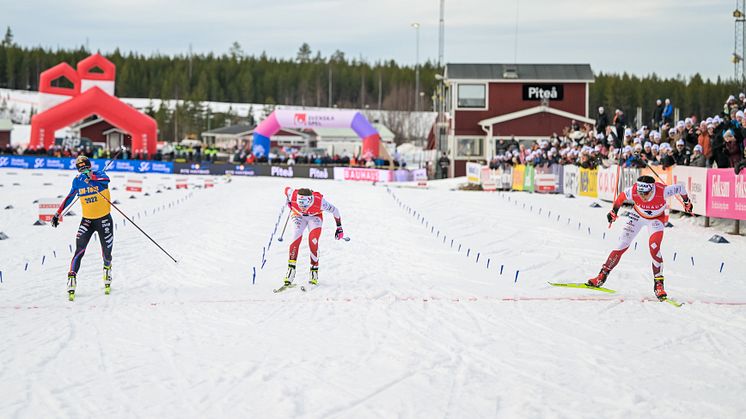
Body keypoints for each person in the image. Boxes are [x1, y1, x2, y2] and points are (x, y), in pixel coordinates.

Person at [587, 175, 693, 300]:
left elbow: (681, 188)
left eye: (646, 193)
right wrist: (613, 211)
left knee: (654, 247)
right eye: (640, 193)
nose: (642, 196)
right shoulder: (633, 191)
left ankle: (659, 284)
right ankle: (601, 277)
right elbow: (621, 197)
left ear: (652, 189)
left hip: (656, 219)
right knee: (621, 244)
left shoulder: (663, 191)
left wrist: (687, 202)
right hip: (637, 216)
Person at [51, 156, 114, 301]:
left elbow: (106, 182)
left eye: (85, 168)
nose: (83, 171)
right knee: (79, 250)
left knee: (107, 253)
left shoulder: (100, 174)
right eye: (80, 169)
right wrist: (57, 214)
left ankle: (107, 268)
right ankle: (72, 277)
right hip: (87, 221)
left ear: (90, 166)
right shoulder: (77, 181)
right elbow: (69, 197)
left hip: (104, 219)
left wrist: (91, 178)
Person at [280, 187, 343, 289]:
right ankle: (291, 270)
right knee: (295, 237)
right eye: (300, 204)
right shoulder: (293, 195)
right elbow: (286, 189)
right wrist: (289, 201)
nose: (303, 207)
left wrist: (339, 228)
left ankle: (314, 271)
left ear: (310, 201)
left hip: (315, 217)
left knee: (313, 241)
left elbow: (336, 211)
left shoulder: (320, 202)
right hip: (298, 216)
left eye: (304, 205)